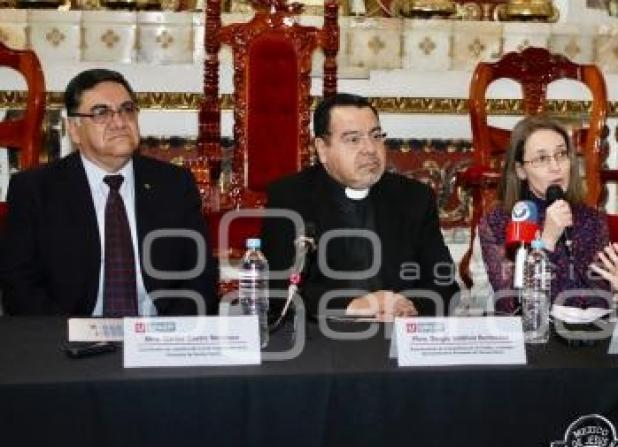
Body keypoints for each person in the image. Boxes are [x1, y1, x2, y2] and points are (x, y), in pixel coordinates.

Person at [0, 68, 218, 316]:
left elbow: (200, 275)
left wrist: (168, 336)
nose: (119, 122)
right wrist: (69, 337)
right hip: (69, 337)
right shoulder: (35, 190)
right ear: (74, 128)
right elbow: (18, 285)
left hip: (158, 335)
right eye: (101, 113)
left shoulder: (174, 184)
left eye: (127, 109)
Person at [261, 93, 459, 320]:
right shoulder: (291, 197)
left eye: (376, 136)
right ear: (322, 149)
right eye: (353, 139)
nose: (370, 149)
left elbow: (444, 283)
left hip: (398, 338)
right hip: (323, 341)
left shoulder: (413, 198)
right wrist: (354, 306)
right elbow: (279, 288)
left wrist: (407, 308)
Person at [478, 114, 618, 314]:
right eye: (542, 158)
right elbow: (511, 304)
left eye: (561, 155)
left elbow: (597, 303)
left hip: (588, 339)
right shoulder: (498, 222)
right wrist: (546, 242)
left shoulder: (592, 220)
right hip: (530, 339)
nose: (555, 167)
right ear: (520, 170)